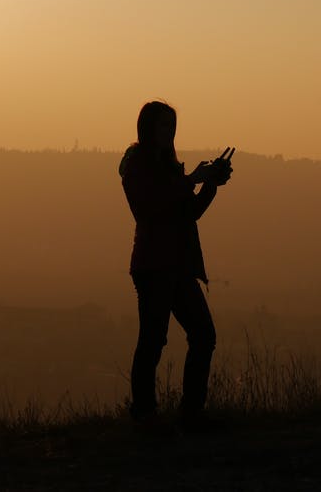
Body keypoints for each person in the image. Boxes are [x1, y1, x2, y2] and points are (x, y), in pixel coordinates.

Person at [118, 100, 232, 431]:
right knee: (153, 341)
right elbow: (149, 207)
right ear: (148, 128)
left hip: (178, 266)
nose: (170, 132)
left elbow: (188, 212)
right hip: (154, 266)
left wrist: (210, 184)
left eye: (173, 126)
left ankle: (190, 412)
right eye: (164, 126)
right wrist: (193, 178)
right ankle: (144, 412)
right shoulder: (136, 166)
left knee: (202, 334)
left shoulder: (169, 167)